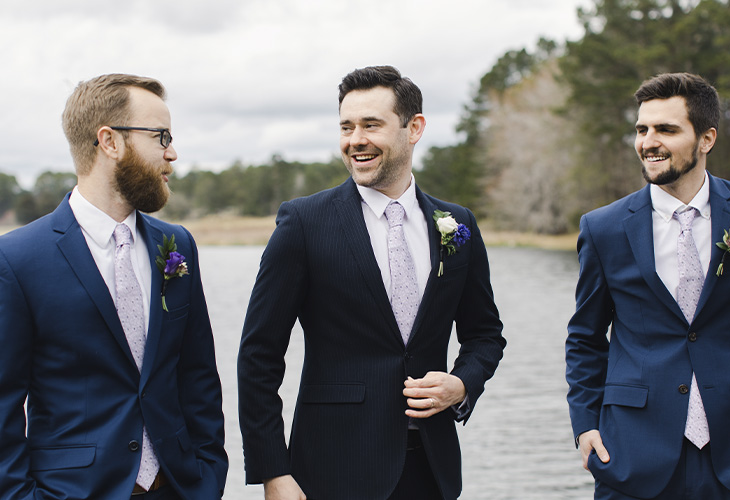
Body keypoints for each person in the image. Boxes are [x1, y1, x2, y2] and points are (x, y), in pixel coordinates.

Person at [238, 65, 506, 500]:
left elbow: (485, 335)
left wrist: (462, 383)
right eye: (346, 126)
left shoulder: (456, 224)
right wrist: (273, 470)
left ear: (413, 128)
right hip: (330, 470)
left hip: (432, 471)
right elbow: (258, 355)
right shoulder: (304, 222)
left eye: (371, 125)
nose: (355, 139)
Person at [566, 72, 730, 499]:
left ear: (706, 139)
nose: (648, 141)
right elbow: (585, 338)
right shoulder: (603, 228)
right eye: (642, 129)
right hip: (631, 455)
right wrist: (584, 425)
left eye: (666, 129)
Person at [0, 74, 228, 499]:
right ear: (110, 142)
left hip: (177, 487)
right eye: (161, 136)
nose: (172, 153)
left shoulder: (177, 244)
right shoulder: (16, 260)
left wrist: (207, 477)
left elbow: (198, 377)